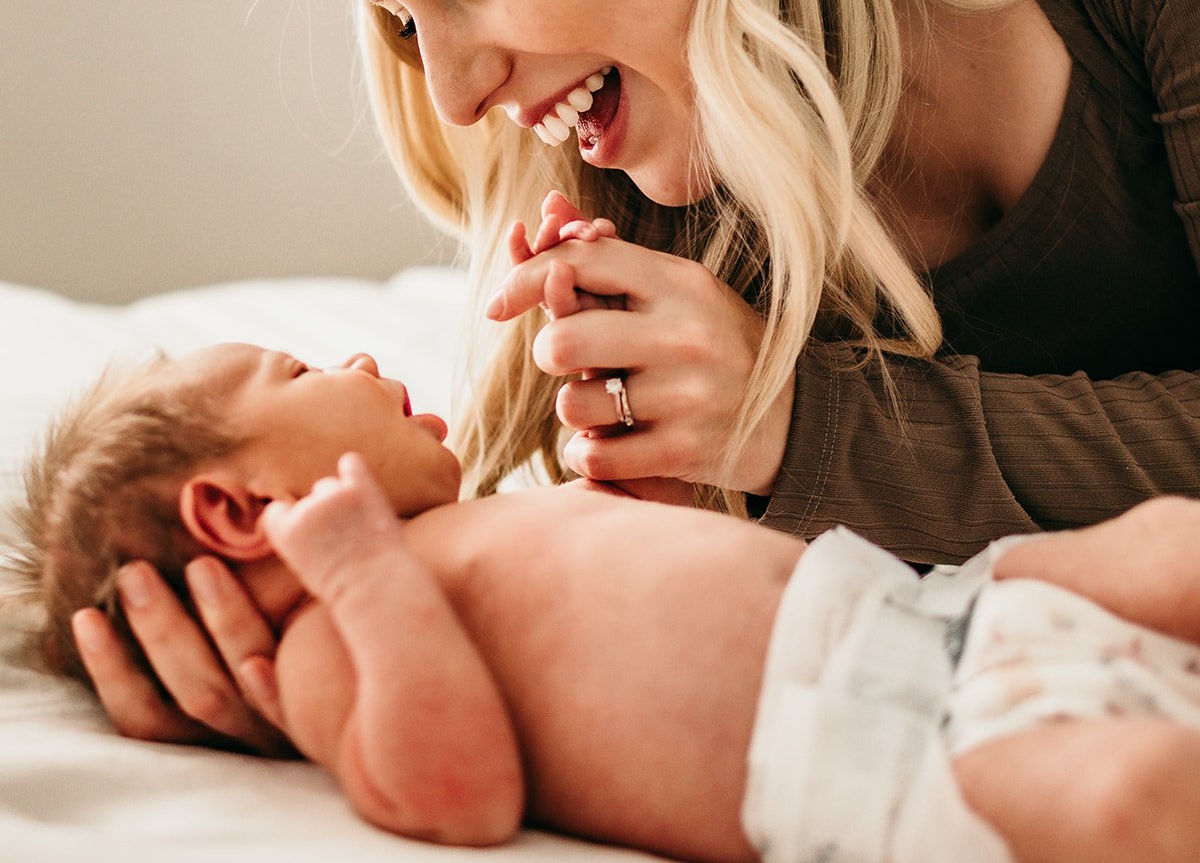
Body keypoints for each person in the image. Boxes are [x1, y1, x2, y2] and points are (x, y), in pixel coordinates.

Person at [81, 0, 1200, 745]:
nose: (457, 97)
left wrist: (806, 426)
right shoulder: (651, 208)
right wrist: (283, 625)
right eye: (404, 22)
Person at [10, 335, 1200, 863]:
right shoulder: (336, 644)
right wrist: (363, 576)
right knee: (1127, 798)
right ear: (238, 508)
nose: (360, 364)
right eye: (303, 372)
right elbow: (457, 799)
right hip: (887, 760)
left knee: (1164, 547)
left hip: (940, 612)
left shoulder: (470, 529)